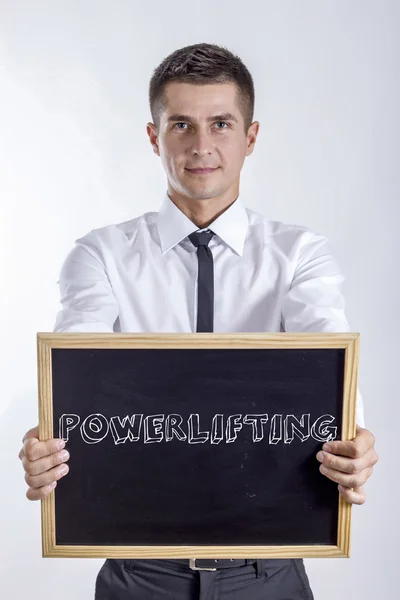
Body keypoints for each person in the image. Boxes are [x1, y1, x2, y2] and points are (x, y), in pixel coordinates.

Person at [18, 42, 378, 600]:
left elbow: (328, 359)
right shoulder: (101, 256)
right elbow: (75, 373)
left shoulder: (300, 256)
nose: (201, 145)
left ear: (251, 137)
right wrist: (50, 440)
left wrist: (355, 440)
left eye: (221, 124)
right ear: (153, 136)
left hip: (268, 574)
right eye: (181, 124)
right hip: (141, 575)